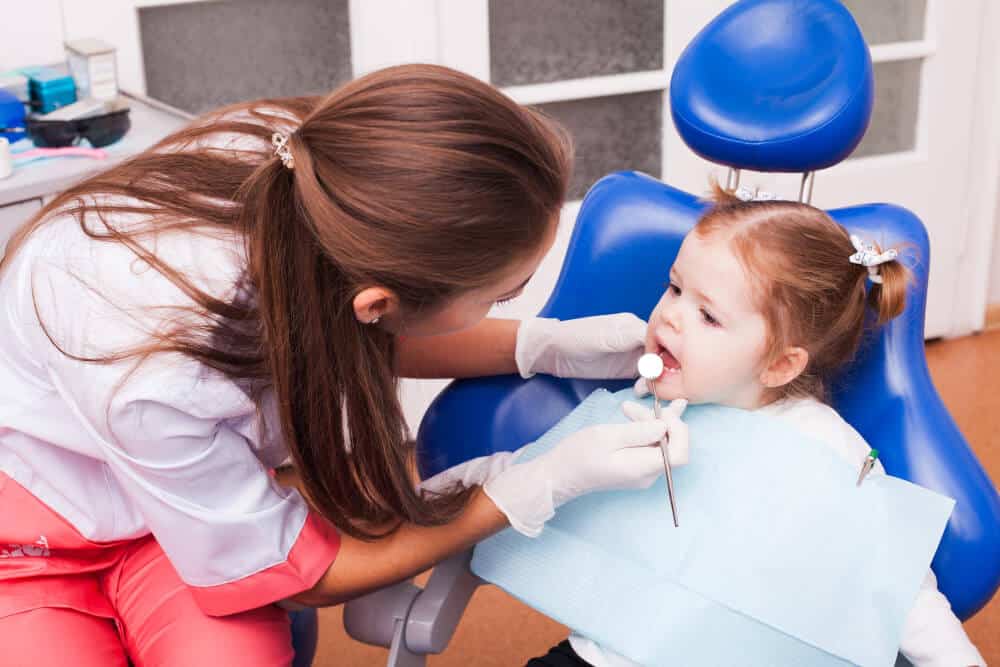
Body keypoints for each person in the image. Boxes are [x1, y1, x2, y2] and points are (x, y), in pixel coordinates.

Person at [0, 64, 671, 666]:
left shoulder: (319, 164)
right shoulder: (157, 374)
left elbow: (368, 326)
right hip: (32, 537)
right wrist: (518, 490)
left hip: (182, 503)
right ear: (379, 299)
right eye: (502, 293)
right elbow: (303, 570)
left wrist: (543, 343)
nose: (513, 303)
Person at [501, 184, 984, 666]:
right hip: (606, 653)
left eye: (707, 315)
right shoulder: (644, 403)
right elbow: (534, 473)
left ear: (779, 365)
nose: (670, 315)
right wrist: (453, 493)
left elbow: (900, 587)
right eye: (673, 288)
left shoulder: (821, 446)